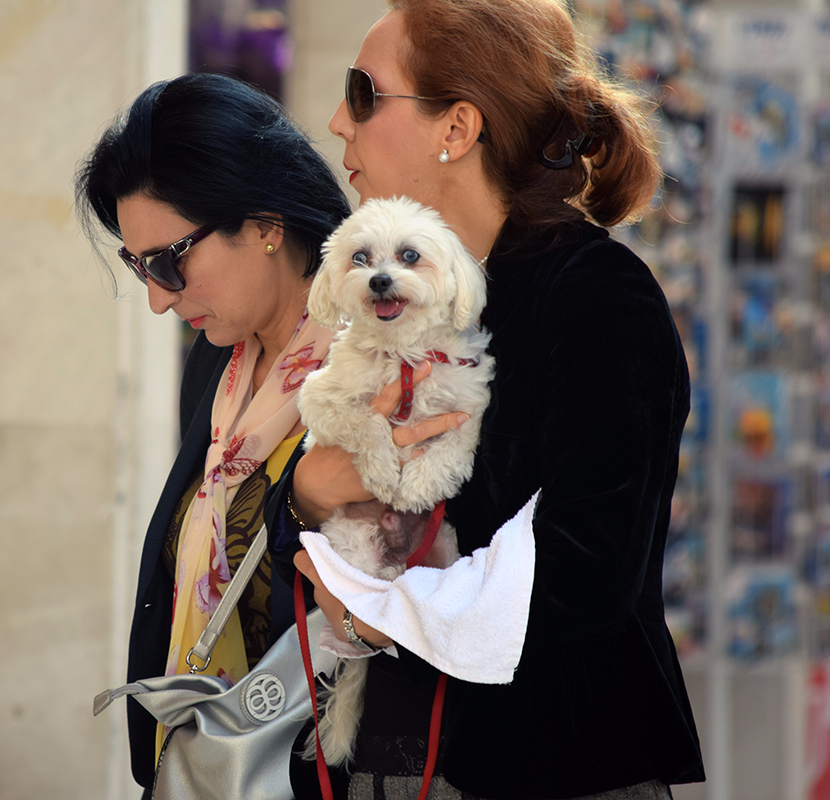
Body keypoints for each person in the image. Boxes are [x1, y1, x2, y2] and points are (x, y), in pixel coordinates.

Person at [275, 1, 705, 798]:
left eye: (364, 94)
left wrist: (390, 613)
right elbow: (306, 543)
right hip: (390, 756)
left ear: (457, 127)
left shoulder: (595, 293)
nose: (337, 122)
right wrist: (305, 491)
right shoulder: (391, 299)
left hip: (550, 765)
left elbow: (590, 570)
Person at [76, 71, 375, 793]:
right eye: (138, 265)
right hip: (210, 760)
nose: (157, 299)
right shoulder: (216, 366)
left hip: (321, 767)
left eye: (169, 262)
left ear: (266, 226)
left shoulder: (373, 367)